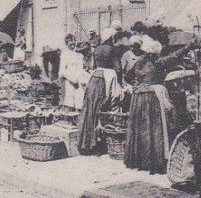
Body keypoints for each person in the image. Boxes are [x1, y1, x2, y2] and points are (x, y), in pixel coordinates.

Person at [125, 37, 194, 174]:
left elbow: (127, 76)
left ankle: (140, 160)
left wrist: (138, 84)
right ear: (155, 52)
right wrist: (188, 46)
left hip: (139, 96)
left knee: (141, 129)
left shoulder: (138, 63)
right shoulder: (157, 63)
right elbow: (174, 56)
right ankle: (154, 161)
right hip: (152, 97)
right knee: (155, 128)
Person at [76, 36, 125, 155]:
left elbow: (93, 65)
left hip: (95, 76)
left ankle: (88, 142)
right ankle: (107, 142)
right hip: (109, 76)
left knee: (90, 108)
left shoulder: (97, 49)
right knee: (112, 107)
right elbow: (118, 68)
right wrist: (120, 83)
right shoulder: (112, 49)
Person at [59, 34, 82, 110]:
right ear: (67, 44)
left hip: (79, 81)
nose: (72, 46)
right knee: (69, 102)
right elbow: (62, 70)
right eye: (70, 45)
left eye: (73, 44)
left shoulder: (78, 54)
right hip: (70, 81)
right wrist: (71, 79)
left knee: (79, 102)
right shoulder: (65, 54)